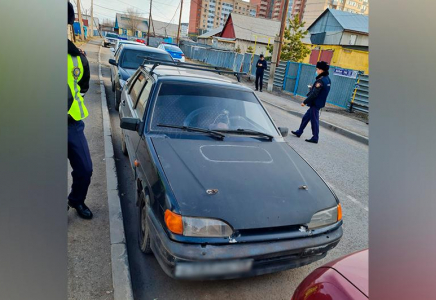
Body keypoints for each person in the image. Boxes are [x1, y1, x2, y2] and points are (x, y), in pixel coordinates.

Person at [67, 2, 93, 219]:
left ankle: (76, 200)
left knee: (85, 169)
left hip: (71, 124)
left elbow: (82, 88)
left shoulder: (77, 58)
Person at [291, 61, 331, 144]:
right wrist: (312, 88)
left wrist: (304, 102)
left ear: (321, 70)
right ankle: (299, 131)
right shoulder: (328, 79)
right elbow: (322, 91)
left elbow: (314, 94)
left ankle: (315, 137)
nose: (316, 71)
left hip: (315, 104)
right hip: (319, 102)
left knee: (314, 121)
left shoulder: (320, 81)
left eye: (317, 69)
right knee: (305, 118)